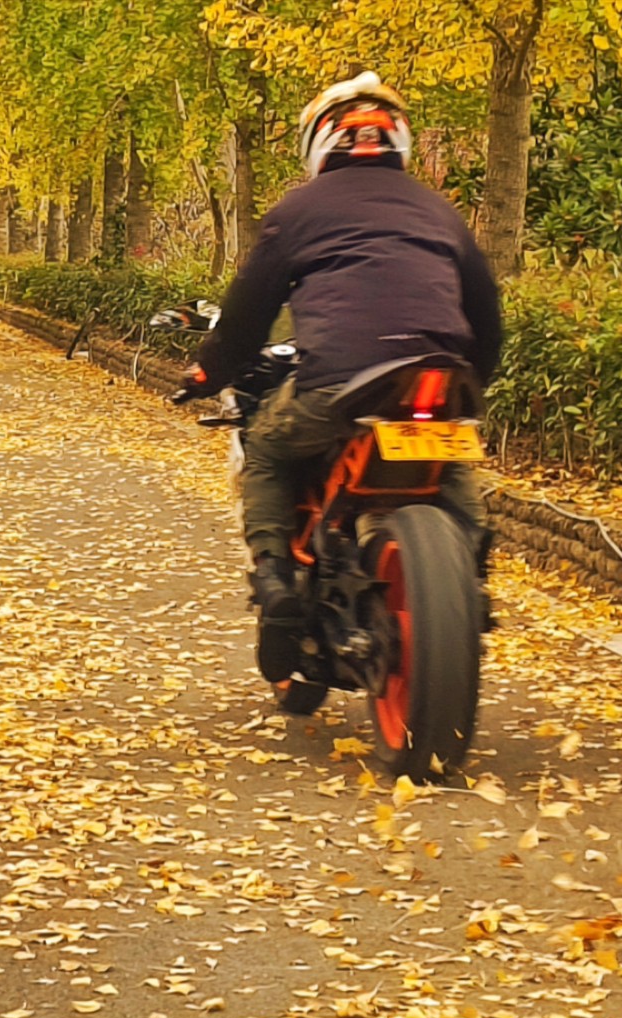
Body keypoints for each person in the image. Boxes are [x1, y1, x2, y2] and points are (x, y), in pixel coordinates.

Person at [180, 71, 502, 679]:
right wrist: (471, 386)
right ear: (399, 140)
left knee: (269, 449)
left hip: (339, 381)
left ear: (319, 143)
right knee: (450, 462)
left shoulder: (298, 210)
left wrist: (205, 371)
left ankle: (274, 578)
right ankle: (470, 574)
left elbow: (248, 318)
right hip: (441, 380)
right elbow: (487, 318)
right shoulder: (441, 211)